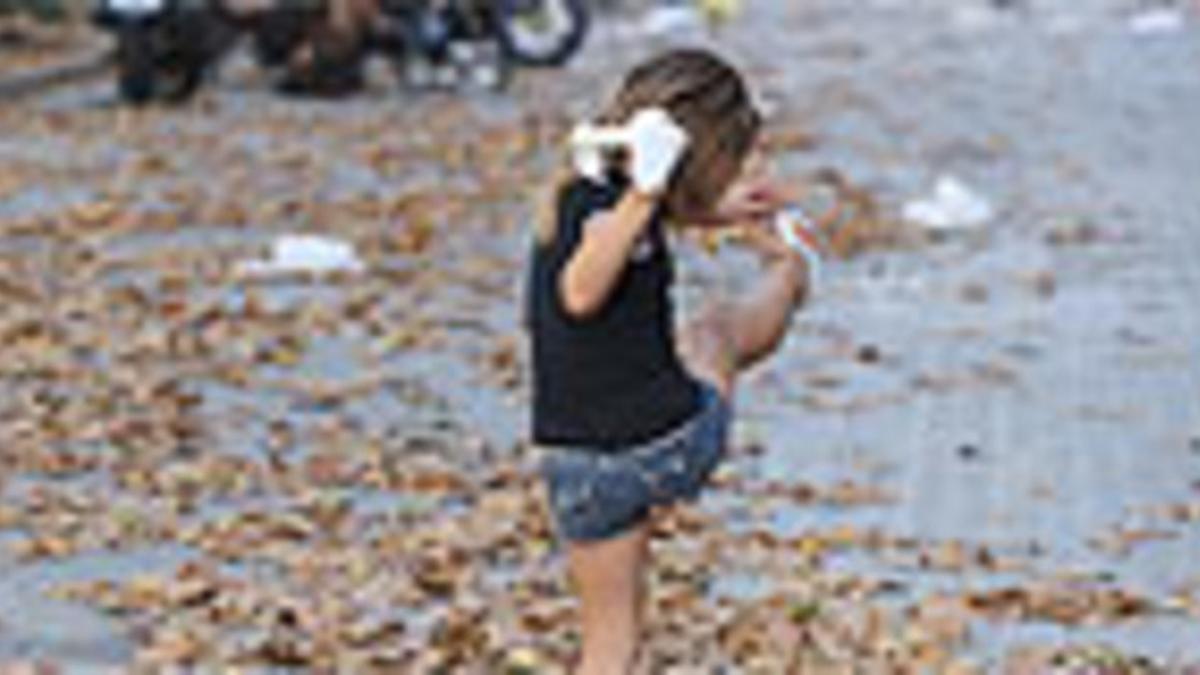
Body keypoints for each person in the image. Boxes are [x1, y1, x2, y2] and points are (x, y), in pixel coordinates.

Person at [525, 48, 835, 673]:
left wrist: (725, 207)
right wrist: (647, 196)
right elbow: (581, 291)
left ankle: (786, 266)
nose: (752, 171)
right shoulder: (626, 211)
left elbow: (645, 228)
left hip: (575, 467)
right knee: (715, 330)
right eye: (740, 159)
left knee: (609, 644)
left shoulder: (583, 193)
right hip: (664, 444)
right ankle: (791, 275)